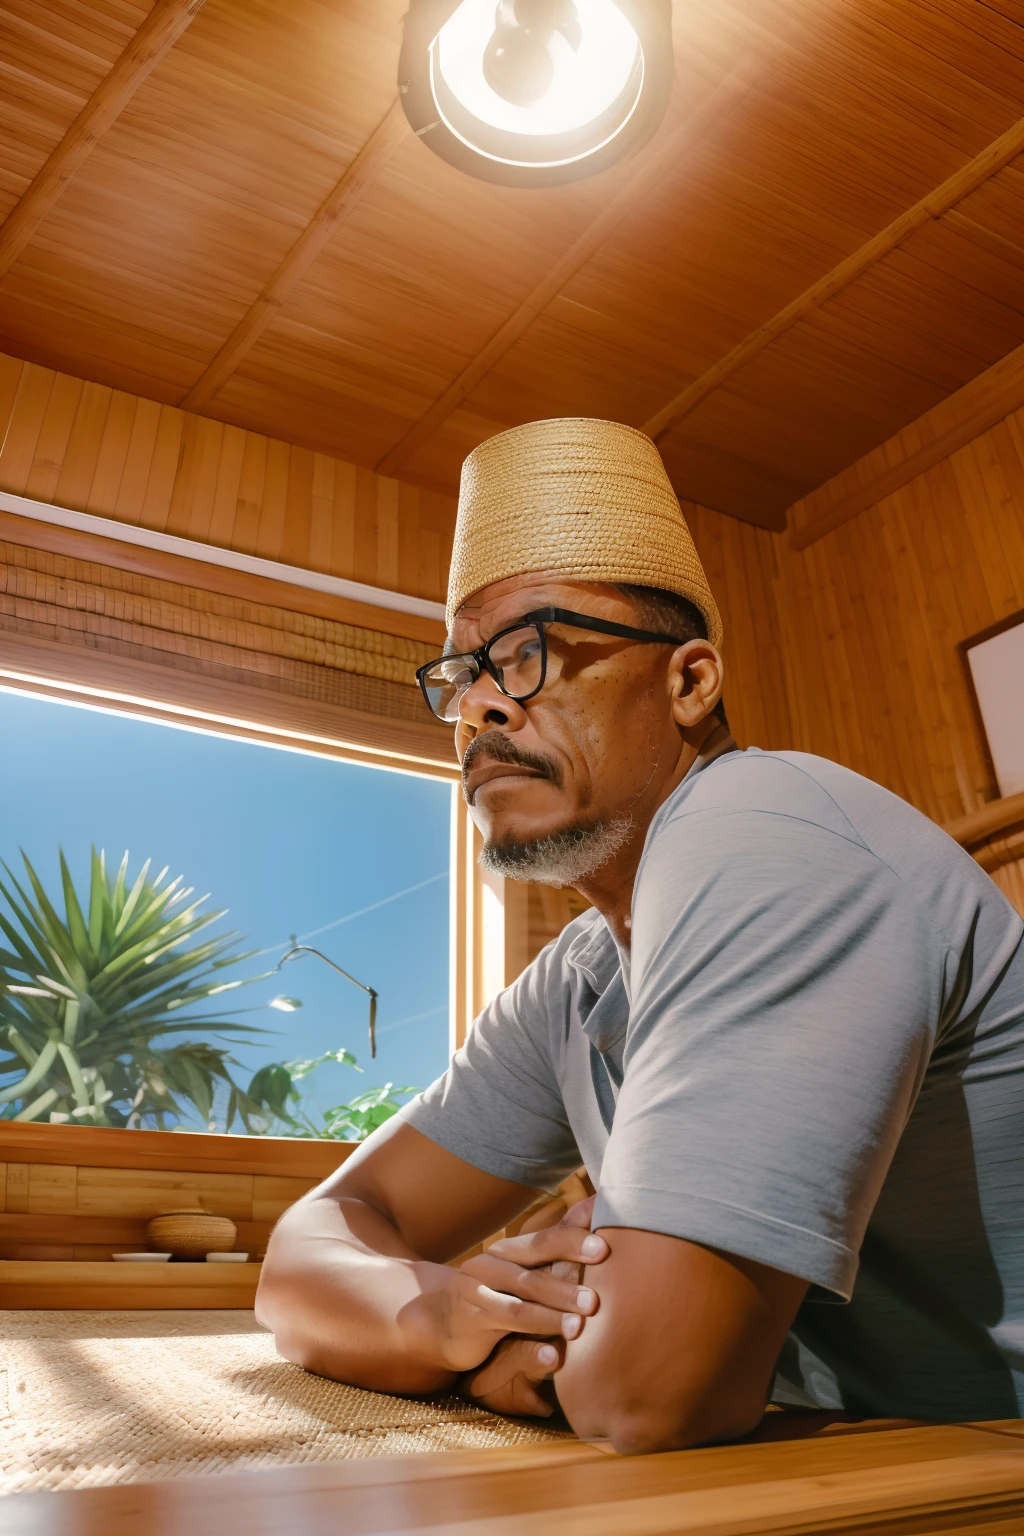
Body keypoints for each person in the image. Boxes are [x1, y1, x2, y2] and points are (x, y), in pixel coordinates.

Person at [257, 418, 1024, 1453]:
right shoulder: (573, 980)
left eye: (527, 654)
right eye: (459, 675)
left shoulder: (762, 830)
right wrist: (443, 1317)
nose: (479, 706)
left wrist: (538, 1338)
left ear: (690, 684)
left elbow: (642, 1392)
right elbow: (304, 1250)